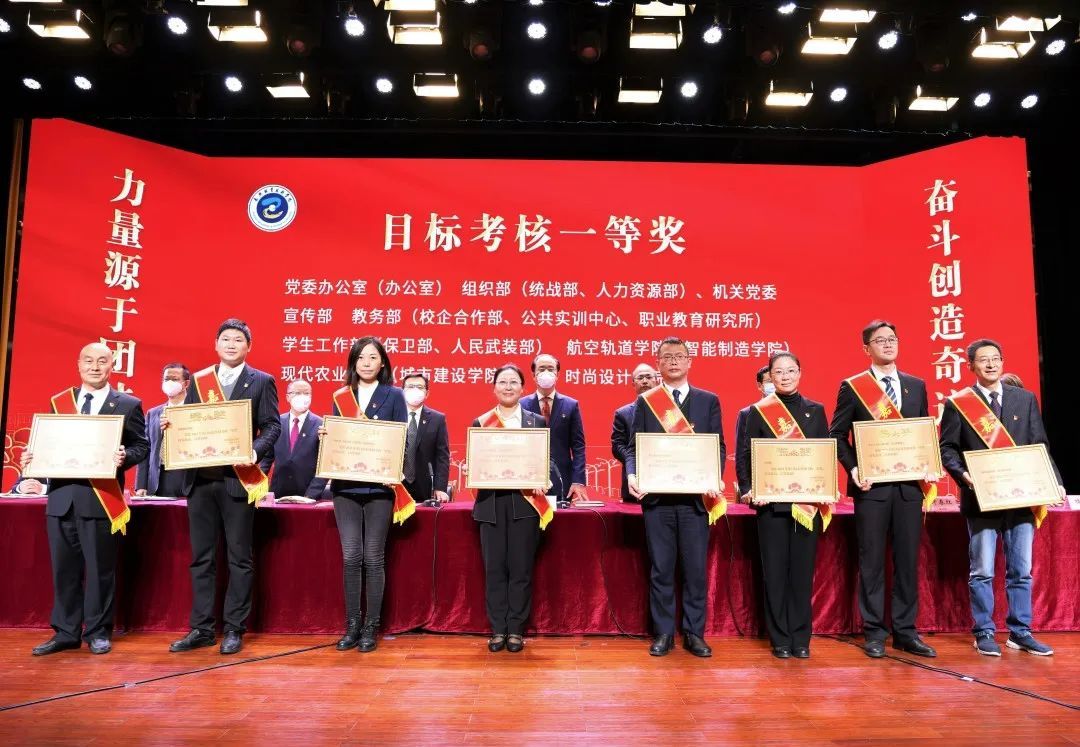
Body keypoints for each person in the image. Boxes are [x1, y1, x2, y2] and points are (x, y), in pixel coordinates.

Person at [17, 342, 149, 656]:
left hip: (101, 498)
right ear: (78, 364)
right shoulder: (60, 402)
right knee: (64, 570)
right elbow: (48, 445)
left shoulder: (128, 404)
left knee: (101, 570)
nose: (94, 367)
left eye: (102, 361)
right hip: (61, 499)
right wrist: (32, 460)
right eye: (88, 361)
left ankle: (98, 632)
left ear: (112, 365)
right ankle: (65, 632)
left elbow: (141, 446)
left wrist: (124, 457)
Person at [939, 338, 1065, 657]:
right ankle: (984, 631)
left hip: (1021, 498)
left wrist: (1054, 481)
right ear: (971, 366)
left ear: (1002, 361)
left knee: (1021, 570)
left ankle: (1020, 632)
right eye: (983, 360)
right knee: (982, 570)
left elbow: (1039, 445)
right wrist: (963, 475)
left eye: (996, 358)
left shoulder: (1024, 399)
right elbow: (948, 449)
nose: (991, 364)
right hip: (981, 499)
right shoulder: (959, 403)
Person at [167, 319, 281, 656]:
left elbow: (272, 426)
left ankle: (234, 628)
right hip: (200, 480)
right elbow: (188, 424)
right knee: (201, 558)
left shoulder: (261, 381)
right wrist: (172, 427)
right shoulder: (200, 380)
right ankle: (201, 628)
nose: (231, 344)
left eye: (238, 340)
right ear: (216, 344)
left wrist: (254, 452)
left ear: (249, 346)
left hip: (237, 480)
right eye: (226, 339)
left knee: (239, 558)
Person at [828, 319, 936, 659]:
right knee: (872, 561)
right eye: (880, 340)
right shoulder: (854, 387)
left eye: (892, 339)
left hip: (908, 489)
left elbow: (921, 433)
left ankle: (905, 632)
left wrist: (928, 463)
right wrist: (855, 468)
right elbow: (837, 435)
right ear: (867, 348)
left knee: (907, 561)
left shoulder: (916, 385)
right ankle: (874, 631)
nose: (888, 344)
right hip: (872, 488)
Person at [626, 336, 726, 658]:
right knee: (661, 568)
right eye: (666, 356)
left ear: (689, 361)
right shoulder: (647, 401)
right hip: (658, 500)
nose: (673, 361)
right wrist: (632, 474)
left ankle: (694, 633)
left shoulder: (708, 400)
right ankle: (664, 633)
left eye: (679, 356)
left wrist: (714, 476)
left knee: (695, 569)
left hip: (695, 500)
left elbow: (717, 446)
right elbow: (633, 447)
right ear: (658, 363)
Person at [735, 352, 828, 659]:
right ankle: (780, 639)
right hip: (770, 504)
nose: (785, 376)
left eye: (790, 371)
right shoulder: (758, 411)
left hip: (805, 504)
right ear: (770, 377)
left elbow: (823, 454)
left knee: (802, 574)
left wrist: (826, 485)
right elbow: (746, 455)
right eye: (779, 372)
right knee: (774, 574)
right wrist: (749, 489)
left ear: (800, 373)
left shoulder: (816, 410)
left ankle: (801, 638)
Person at [321, 337, 408, 653]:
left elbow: (402, 439)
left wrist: (393, 468)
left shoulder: (394, 395)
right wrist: (326, 438)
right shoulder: (342, 396)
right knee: (351, 556)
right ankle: (352, 625)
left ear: (382, 362)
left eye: (372, 357)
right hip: (346, 486)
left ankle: (371, 626)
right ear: (353, 362)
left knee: (373, 557)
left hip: (379, 487)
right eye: (360, 357)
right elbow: (339, 440)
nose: (366, 363)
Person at [472, 364, 556, 654]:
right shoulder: (482, 422)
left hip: (525, 504)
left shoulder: (536, 422)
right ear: (494, 388)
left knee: (521, 569)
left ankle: (516, 629)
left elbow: (547, 461)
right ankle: (498, 629)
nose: (508, 387)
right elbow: (477, 461)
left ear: (523, 388)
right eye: (502, 382)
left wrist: (544, 478)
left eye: (513, 382)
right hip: (491, 504)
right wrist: (474, 469)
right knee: (495, 569)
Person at [521, 353, 588, 503]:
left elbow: (578, 446)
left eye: (551, 369)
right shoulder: (521, 405)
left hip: (562, 479)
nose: (546, 372)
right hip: (529, 480)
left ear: (557, 374)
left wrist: (578, 480)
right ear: (533, 375)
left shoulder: (571, 405)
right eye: (541, 369)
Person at [260, 379, 326, 500]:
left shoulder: (321, 425)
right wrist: (255, 486)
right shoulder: (276, 423)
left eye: (306, 393)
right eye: (297, 393)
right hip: (278, 494)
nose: (302, 397)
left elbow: (324, 466)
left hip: (308, 496)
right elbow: (266, 459)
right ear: (288, 397)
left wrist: (311, 495)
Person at [135, 362, 190, 498]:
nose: (170, 382)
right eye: (166, 379)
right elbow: (145, 449)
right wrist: (141, 485)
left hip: (187, 480)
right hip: (158, 480)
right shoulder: (153, 413)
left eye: (175, 379)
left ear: (186, 384)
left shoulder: (196, 411)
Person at [611, 363, 660, 502]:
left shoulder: (670, 412)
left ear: (657, 380)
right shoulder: (623, 413)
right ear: (633, 384)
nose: (645, 381)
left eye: (649, 377)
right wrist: (637, 460)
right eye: (640, 378)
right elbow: (617, 446)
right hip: (634, 483)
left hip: (666, 481)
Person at [400, 372, 450, 504]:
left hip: (425, 487)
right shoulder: (392, 416)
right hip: (395, 485)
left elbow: (442, 456)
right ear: (402, 391)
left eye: (420, 387)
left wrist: (440, 488)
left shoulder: (437, 419)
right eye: (410, 387)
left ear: (427, 393)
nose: (415, 390)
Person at [734, 365, 773, 451]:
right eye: (770, 381)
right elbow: (741, 452)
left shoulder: (791, 411)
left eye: (776, 381)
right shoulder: (746, 413)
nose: (774, 385)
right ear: (760, 385)